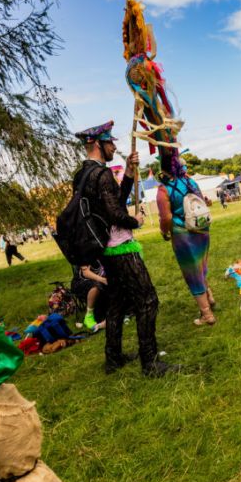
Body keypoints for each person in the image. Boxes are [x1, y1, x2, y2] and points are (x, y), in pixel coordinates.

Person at [73, 121, 179, 377]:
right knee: (148, 301)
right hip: (120, 249)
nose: (114, 147)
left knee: (117, 304)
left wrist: (130, 173)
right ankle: (150, 363)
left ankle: (113, 358)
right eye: (110, 143)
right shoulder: (102, 174)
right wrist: (137, 222)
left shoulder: (83, 175)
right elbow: (115, 212)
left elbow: (113, 200)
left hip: (104, 250)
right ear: (98, 143)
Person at [157, 149, 215, 326]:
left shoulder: (164, 189)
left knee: (192, 272)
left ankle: (207, 314)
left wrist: (164, 231)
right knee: (201, 266)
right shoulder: (190, 181)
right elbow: (201, 202)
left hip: (183, 233)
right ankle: (209, 298)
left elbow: (166, 217)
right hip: (202, 229)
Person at [71, 262, 108, 330]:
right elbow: (86, 273)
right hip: (81, 282)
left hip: (98, 280)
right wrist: (103, 280)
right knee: (96, 286)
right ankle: (89, 315)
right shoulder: (83, 253)